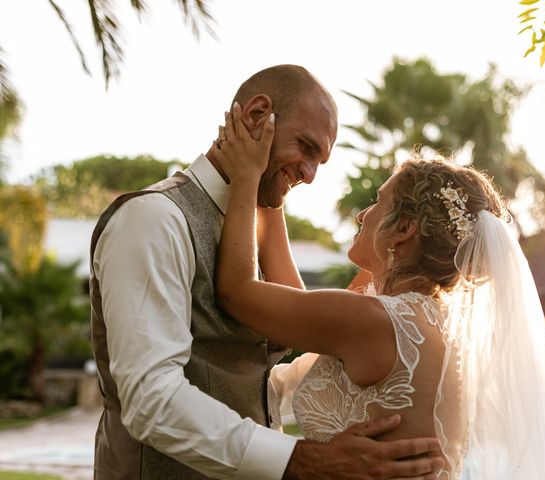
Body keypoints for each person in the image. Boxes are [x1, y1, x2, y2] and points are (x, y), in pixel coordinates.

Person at [89, 64, 444, 480]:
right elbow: (150, 398)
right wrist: (303, 459)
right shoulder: (154, 219)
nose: (310, 176)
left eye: (320, 162)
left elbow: (246, 374)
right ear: (258, 115)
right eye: (307, 148)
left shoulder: (249, 230)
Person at [211, 104, 545, 479]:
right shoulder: (427, 322)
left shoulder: (376, 321)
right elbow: (292, 306)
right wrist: (273, 191)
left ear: (403, 229)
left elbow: (238, 291)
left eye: (378, 201)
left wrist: (246, 175)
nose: (362, 214)